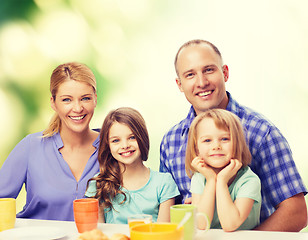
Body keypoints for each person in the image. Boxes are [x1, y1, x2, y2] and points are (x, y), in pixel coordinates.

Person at [160, 39, 307, 231]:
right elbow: (166, 211)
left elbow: (296, 213)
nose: (202, 82)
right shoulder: (171, 141)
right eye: (190, 75)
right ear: (180, 84)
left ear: (225, 73)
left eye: (209, 70)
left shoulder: (262, 133)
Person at [0, 62, 100, 221]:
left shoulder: (112, 147)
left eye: (85, 98)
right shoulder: (31, 147)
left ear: (95, 99)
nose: (78, 108)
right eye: (67, 100)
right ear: (53, 102)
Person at [85, 107, 179, 224]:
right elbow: (98, 234)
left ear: (142, 138)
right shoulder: (99, 185)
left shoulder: (164, 183)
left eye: (132, 137)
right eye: (116, 140)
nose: (125, 145)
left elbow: (163, 232)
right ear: (108, 145)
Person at [186, 109, 261, 231]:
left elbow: (230, 224)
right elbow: (201, 224)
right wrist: (211, 180)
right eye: (207, 140)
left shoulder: (249, 180)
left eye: (225, 139)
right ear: (197, 148)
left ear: (238, 143)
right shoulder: (200, 178)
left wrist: (221, 181)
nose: (216, 146)